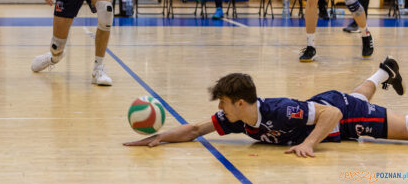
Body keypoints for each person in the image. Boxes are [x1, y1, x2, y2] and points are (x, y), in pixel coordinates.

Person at [124, 56, 407, 158]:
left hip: (343, 115)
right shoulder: (236, 118)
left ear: (241, 102)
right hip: (327, 110)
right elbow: (196, 129)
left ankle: (383, 73)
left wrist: (308, 144)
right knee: (358, 96)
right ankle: (384, 72)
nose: (220, 107)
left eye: (223, 101)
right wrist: (159, 137)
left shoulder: (281, 110)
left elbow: (332, 113)